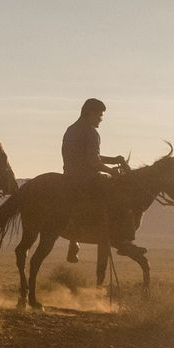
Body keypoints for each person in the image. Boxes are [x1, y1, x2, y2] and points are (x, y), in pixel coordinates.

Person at [61, 97, 129, 261]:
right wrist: (112, 172)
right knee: (120, 198)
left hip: (69, 176)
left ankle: (73, 241)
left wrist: (113, 159)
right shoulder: (92, 133)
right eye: (99, 115)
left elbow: (88, 155)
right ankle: (121, 238)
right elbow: (93, 161)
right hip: (86, 178)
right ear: (90, 113)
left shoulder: (71, 129)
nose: (100, 119)